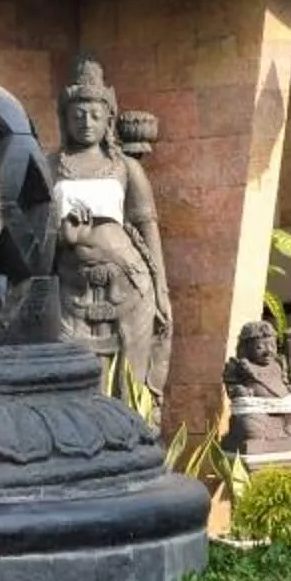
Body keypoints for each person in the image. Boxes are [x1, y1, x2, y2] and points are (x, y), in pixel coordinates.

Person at [49, 57, 171, 396]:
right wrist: (60, 237)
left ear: (109, 119)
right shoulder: (50, 165)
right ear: (65, 119)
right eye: (77, 115)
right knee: (73, 377)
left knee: (129, 379)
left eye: (95, 115)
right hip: (70, 284)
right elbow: (33, 229)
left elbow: (147, 227)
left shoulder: (126, 167)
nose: (86, 123)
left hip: (129, 280)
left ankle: (131, 425)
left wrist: (161, 288)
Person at [221, 318, 291, 460]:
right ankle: (259, 435)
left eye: (272, 346)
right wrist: (240, 390)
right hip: (255, 413)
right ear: (246, 348)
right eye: (259, 347)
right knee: (251, 430)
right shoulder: (238, 366)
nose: (268, 352)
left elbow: (288, 383)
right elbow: (232, 387)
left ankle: (287, 430)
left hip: (282, 412)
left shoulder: (280, 364)